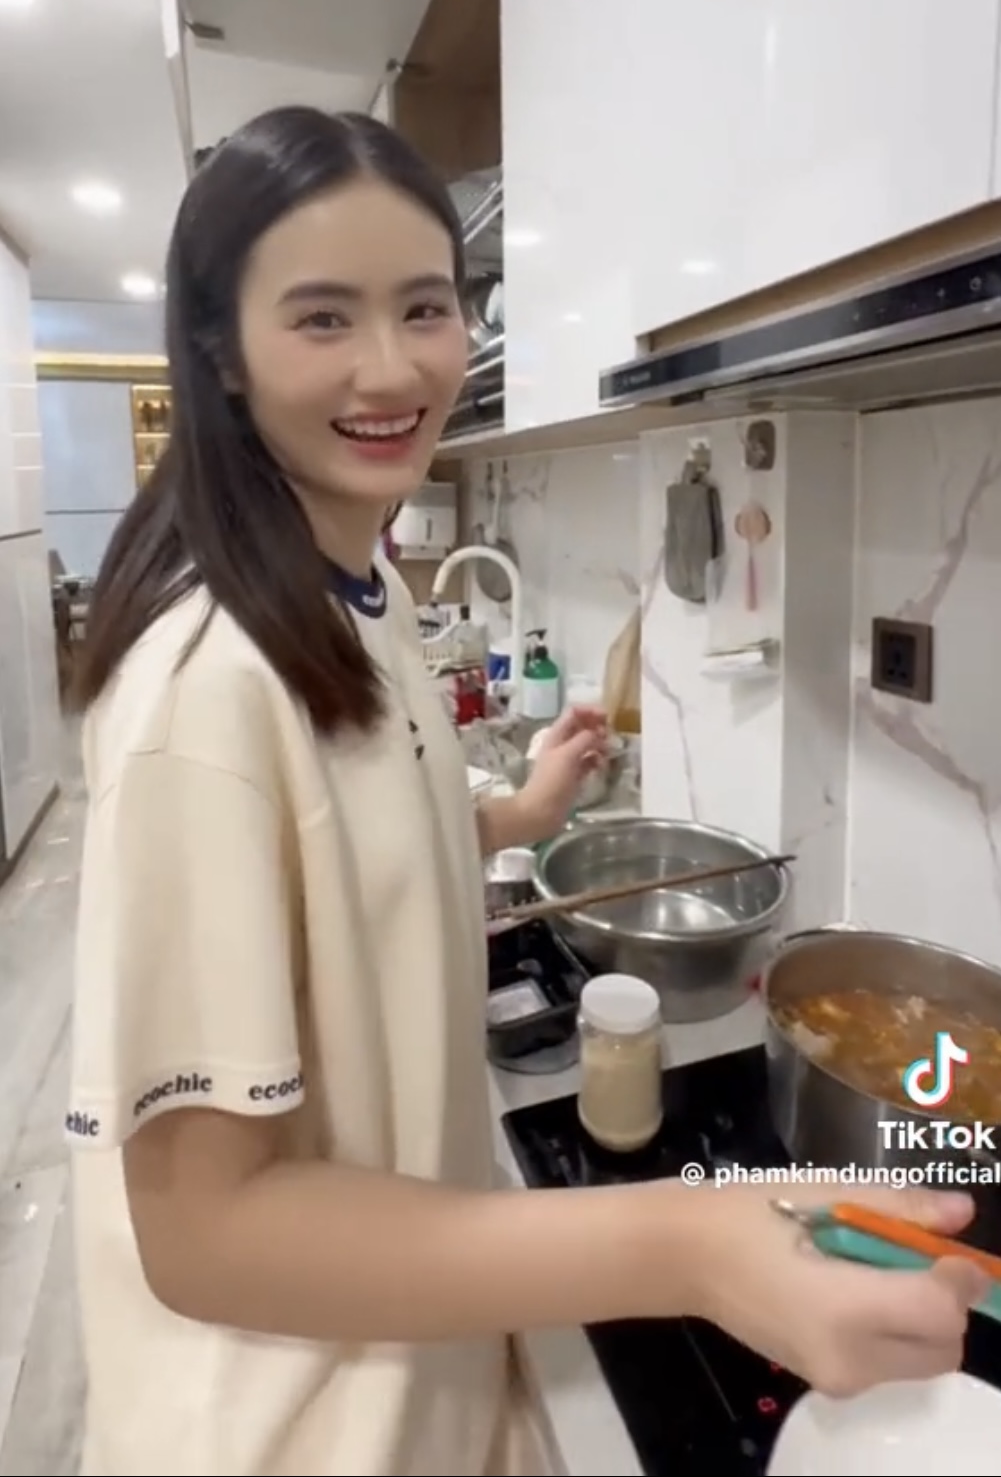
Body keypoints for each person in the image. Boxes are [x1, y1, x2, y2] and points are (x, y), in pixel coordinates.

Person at [68, 105, 988, 1477]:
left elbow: (334, 856)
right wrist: (685, 1246)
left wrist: (511, 817)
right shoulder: (201, 688)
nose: (393, 367)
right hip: (290, 1427)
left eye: (423, 307)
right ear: (219, 350)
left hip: (408, 1369)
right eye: (322, 318)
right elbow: (204, 1234)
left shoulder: (354, 589)